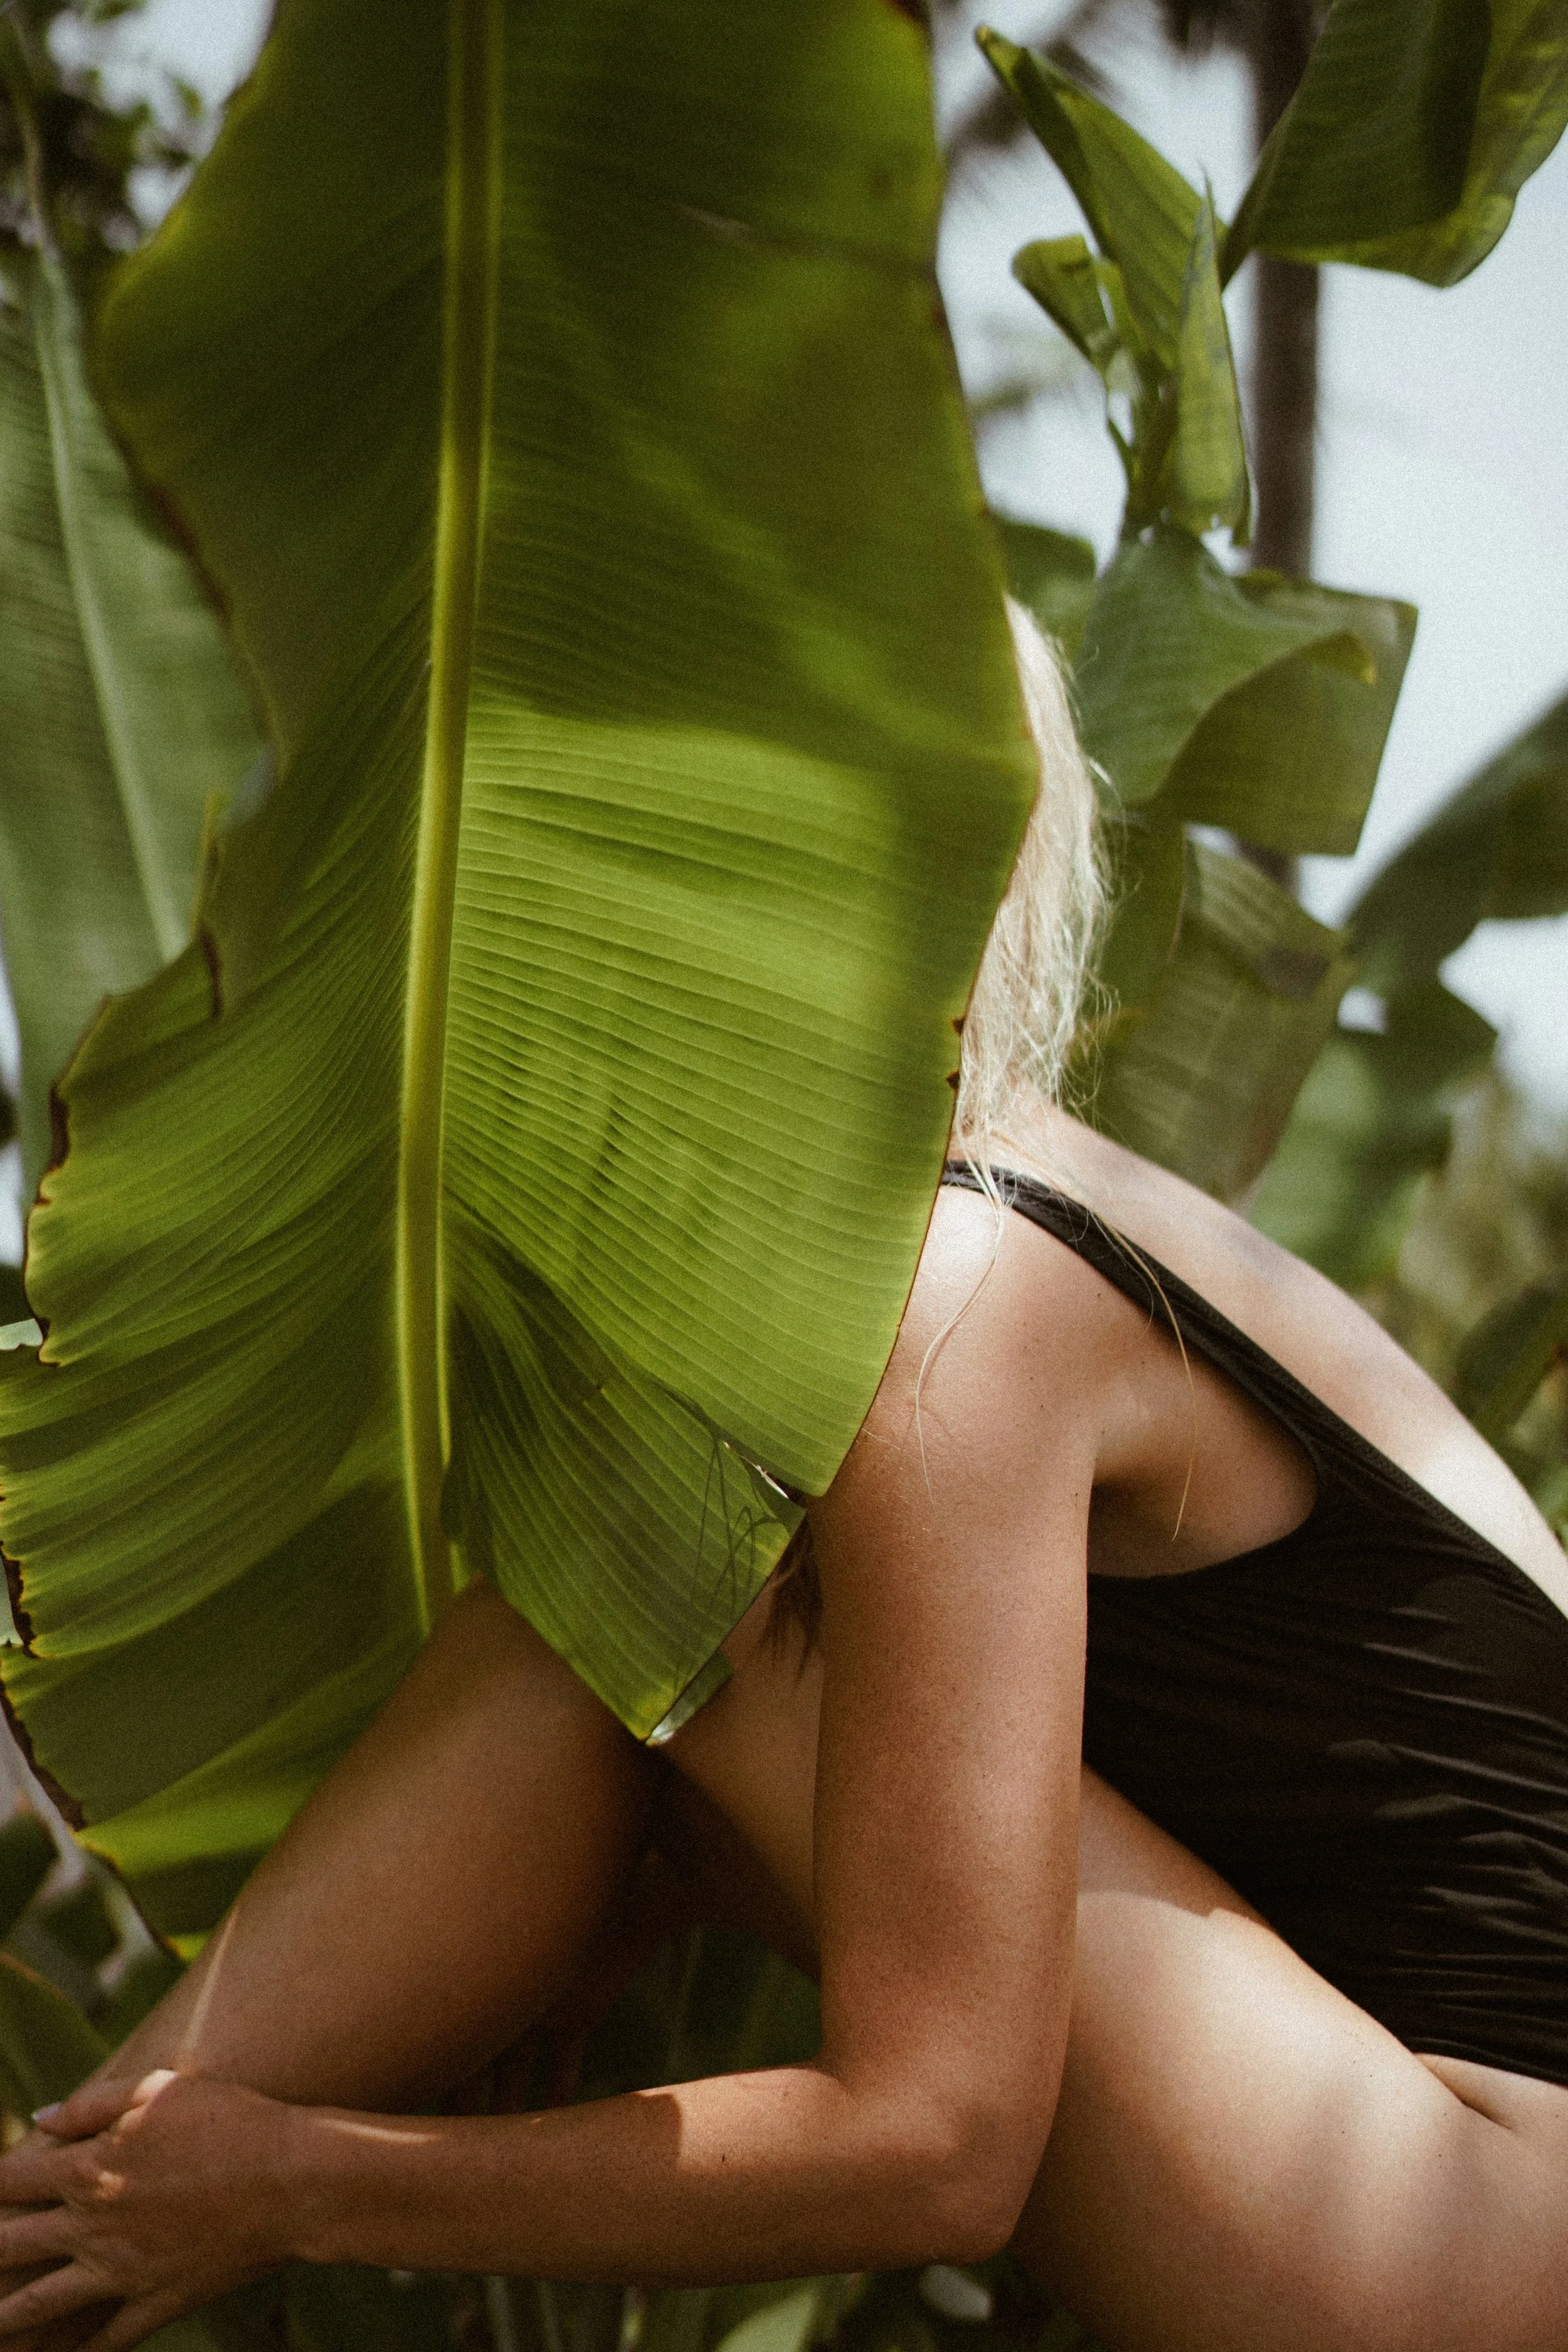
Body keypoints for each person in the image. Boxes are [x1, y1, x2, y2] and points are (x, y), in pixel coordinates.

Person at [0, 606, 1564, 2352]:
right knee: (637, 1603)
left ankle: (50, 2222)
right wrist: (636, 1875)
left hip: (1462, 2227)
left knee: (646, 1608)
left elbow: (935, 2145)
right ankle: (55, 2219)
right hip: (1412, 2168)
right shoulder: (981, 1223)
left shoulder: (958, 1297)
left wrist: (290, 2177)